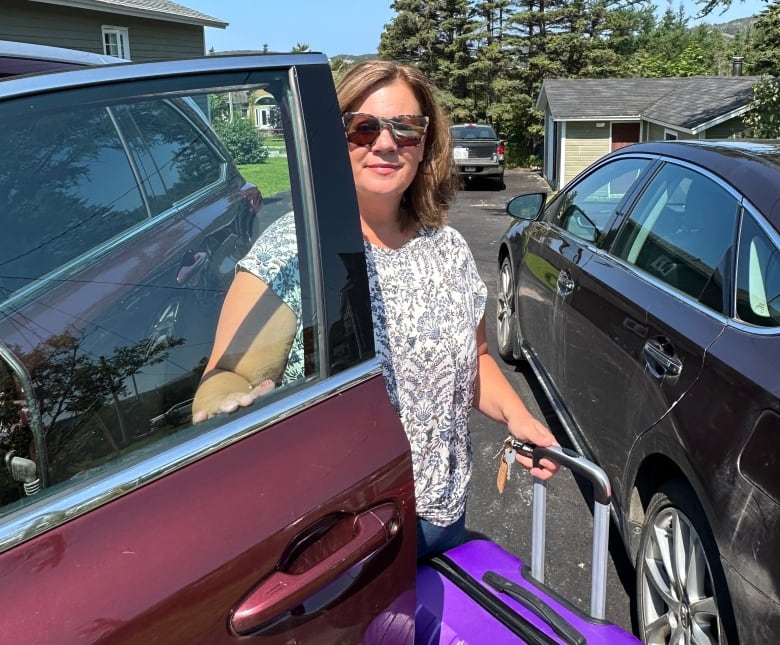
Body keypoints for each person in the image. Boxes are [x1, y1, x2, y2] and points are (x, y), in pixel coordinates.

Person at [192, 60, 558, 560]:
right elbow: (231, 372)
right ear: (334, 139)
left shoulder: (446, 248)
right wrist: (228, 405)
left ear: (426, 143)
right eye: (362, 127)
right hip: (346, 542)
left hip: (444, 517)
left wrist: (519, 416)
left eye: (406, 129)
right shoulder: (296, 252)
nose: (386, 144)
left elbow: (476, 361)